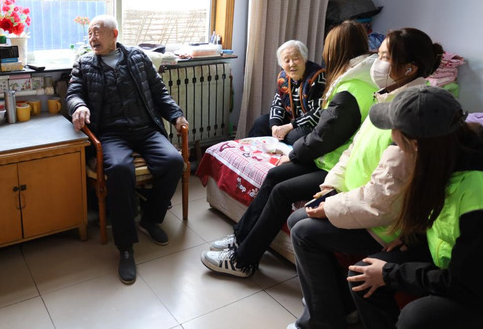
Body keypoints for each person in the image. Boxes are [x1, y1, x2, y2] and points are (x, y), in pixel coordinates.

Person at [285, 28, 444, 329]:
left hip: (384, 222)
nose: (375, 63)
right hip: (360, 199)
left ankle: (322, 320)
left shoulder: (410, 117)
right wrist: (330, 187)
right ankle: (338, 305)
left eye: (384, 57)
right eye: (377, 54)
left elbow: (381, 200)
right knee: (297, 219)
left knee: (304, 232)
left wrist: (330, 208)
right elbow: (353, 151)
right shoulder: (384, 99)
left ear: (409, 69)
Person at [202, 20, 377, 277]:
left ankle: (244, 260)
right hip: (329, 157)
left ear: (338, 51)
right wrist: (286, 142)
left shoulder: (351, 87)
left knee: (282, 191)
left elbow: (323, 135)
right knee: (274, 175)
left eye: (328, 49)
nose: (325, 55)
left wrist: (293, 153)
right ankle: (241, 237)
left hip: (337, 165)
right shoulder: (356, 80)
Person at [66, 15, 189, 285]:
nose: (92, 38)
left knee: (173, 162)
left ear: (114, 34)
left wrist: (176, 115)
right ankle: (125, 247)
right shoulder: (84, 63)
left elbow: (159, 91)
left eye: (97, 32)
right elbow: (73, 93)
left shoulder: (137, 57)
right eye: (89, 33)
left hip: (145, 129)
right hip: (111, 134)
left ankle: (150, 219)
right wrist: (79, 106)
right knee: (121, 170)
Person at [347, 87, 483, 329]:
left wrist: (390, 273)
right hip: (453, 259)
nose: (392, 140)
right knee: (363, 274)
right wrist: (415, 236)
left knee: (415, 317)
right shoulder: (446, 157)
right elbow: (445, 217)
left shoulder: (476, 191)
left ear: (415, 144)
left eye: (395, 134)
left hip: (471, 284)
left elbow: (464, 283)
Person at [247, 40, 326, 145]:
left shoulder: (318, 76)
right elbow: (277, 104)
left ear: (304, 58)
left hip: (310, 125)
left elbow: (318, 113)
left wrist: (289, 127)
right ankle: (253, 151)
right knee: (261, 123)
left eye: (296, 59)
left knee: (295, 136)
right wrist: (275, 126)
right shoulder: (283, 77)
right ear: (282, 64)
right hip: (290, 121)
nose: (292, 64)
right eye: (287, 60)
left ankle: (282, 149)